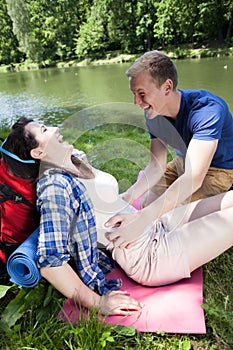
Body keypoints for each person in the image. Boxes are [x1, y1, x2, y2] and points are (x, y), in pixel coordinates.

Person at [1, 117, 142, 316]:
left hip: (144, 226)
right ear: (38, 153)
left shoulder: (71, 161)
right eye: (44, 129)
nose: (56, 128)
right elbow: (50, 262)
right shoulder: (55, 187)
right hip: (141, 251)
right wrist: (98, 303)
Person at [106, 49, 233, 249]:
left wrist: (141, 220)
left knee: (170, 220)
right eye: (134, 94)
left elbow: (193, 178)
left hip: (218, 170)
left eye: (141, 94)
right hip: (183, 163)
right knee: (148, 206)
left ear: (167, 87)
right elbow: (156, 165)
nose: (136, 103)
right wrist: (127, 197)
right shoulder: (153, 114)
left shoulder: (207, 110)